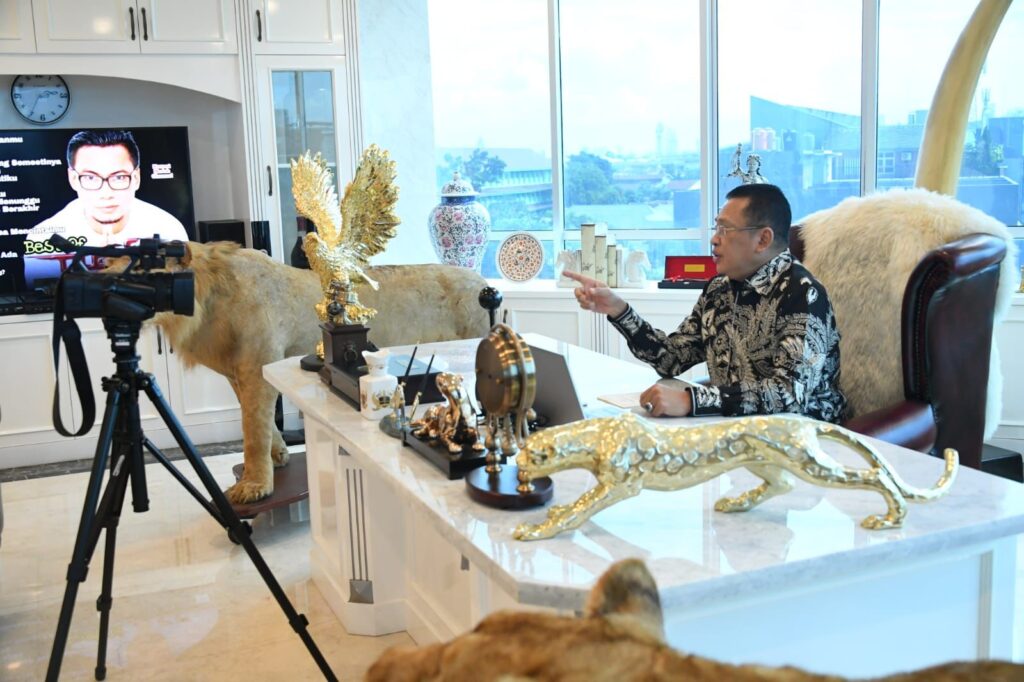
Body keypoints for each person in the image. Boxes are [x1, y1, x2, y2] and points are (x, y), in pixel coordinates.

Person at [564, 183, 847, 422]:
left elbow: (789, 394)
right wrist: (618, 310)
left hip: (805, 440)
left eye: (725, 229)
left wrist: (692, 400)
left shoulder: (802, 294)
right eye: (716, 227)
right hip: (734, 429)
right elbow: (670, 359)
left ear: (763, 239)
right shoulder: (719, 289)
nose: (714, 239)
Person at [26, 129, 188, 249]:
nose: (106, 194)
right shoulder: (44, 237)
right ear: (73, 179)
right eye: (90, 178)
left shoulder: (168, 229)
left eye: (119, 177)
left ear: (136, 178)